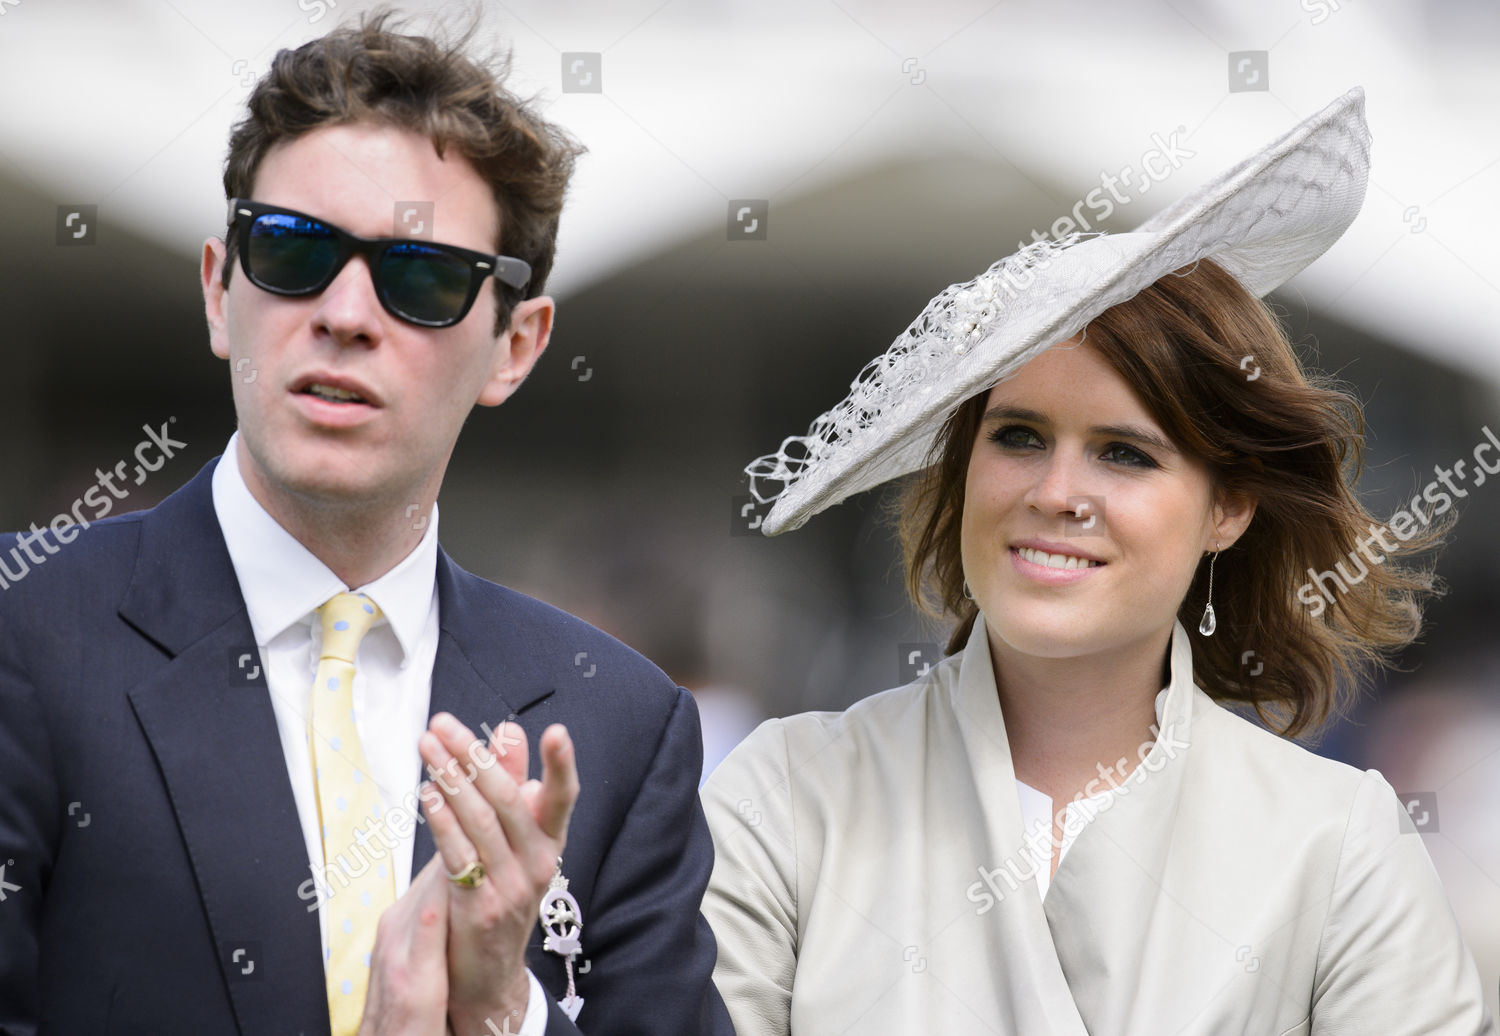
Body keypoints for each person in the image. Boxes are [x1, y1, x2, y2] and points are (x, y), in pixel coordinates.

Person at [0, 8, 732, 1035]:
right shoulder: (25, 630)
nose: (345, 312)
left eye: (420, 277)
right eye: (294, 251)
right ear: (219, 289)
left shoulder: (622, 725)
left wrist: (503, 1012)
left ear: (516, 345)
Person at [701, 87, 1495, 1034]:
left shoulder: (1336, 840)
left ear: (1228, 507)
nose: (1056, 492)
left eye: (1126, 452)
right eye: (1020, 437)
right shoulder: (788, 796)